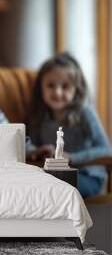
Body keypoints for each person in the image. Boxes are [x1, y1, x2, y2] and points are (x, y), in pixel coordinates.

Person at [26, 52, 112, 198]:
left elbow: (106, 150)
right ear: (41, 88)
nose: (58, 92)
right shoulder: (38, 116)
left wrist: (72, 158)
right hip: (53, 175)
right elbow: (31, 145)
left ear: (76, 89)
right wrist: (38, 151)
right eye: (51, 86)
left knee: (55, 186)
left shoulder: (85, 113)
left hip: (88, 176)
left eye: (65, 86)